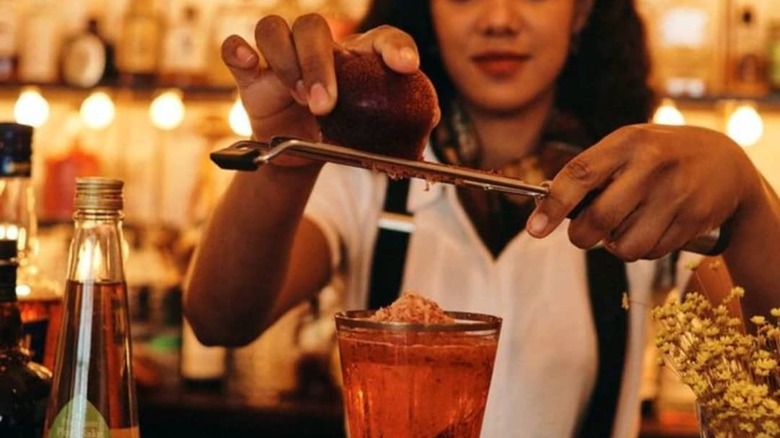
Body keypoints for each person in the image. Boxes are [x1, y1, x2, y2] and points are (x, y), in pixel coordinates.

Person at [184, 0, 780, 436]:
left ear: (581, 14)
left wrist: (750, 201)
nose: (499, 17)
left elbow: (761, 384)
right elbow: (219, 318)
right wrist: (290, 153)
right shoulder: (365, 176)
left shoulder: (641, 190)